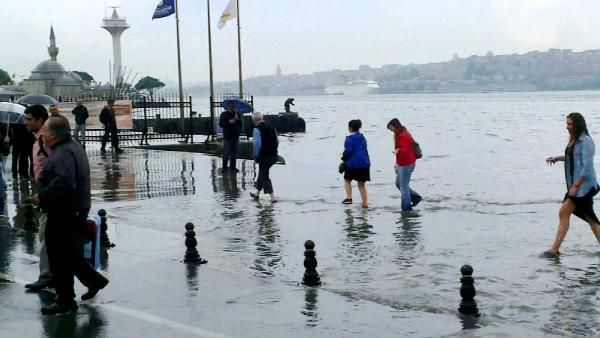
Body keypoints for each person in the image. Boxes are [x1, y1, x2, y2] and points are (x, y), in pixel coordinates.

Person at [33, 117, 109, 315]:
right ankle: (94, 280)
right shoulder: (71, 147)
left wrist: (42, 197)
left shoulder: (64, 152)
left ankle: (65, 299)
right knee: (68, 252)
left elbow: (65, 183)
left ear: (53, 134)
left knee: (58, 253)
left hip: (65, 209)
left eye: (45, 131)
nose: (42, 136)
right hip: (74, 208)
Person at [545, 112, 600, 257]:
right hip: (577, 187)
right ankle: (554, 250)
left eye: (570, 124)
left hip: (584, 188)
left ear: (578, 125)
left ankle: (554, 250)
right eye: (567, 123)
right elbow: (573, 157)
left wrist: (576, 186)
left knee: (566, 212)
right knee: (590, 218)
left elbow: (586, 167)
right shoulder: (574, 140)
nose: (567, 127)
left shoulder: (586, 141)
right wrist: (557, 158)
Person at [22, 105, 54, 291]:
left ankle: (47, 276)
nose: (26, 122)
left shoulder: (46, 139)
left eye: (29, 119)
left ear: (40, 120)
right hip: (45, 191)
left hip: (49, 193)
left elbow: (55, 167)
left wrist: (44, 193)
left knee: (46, 235)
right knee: (47, 235)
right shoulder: (38, 139)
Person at [387, 118, 422, 211]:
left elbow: (405, 150)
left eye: (391, 128)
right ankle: (415, 197)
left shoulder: (403, 136)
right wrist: (397, 164)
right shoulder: (403, 132)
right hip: (403, 163)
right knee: (399, 183)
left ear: (395, 126)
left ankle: (406, 208)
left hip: (406, 164)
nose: (391, 130)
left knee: (403, 188)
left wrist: (398, 150)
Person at [250, 112, 279, 203]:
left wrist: (255, 156)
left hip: (264, 156)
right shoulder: (272, 127)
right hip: (274, 155)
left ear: (254, 121)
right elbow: (277, 141)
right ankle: (257, 194)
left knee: (264, 176)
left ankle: (272, 197)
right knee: (262, 173)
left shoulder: (257, 130)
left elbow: (257, 145)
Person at [341, 119, 370, 208]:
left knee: (347, 179)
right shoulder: (363, 138)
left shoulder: (349, 139)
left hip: (352, 164)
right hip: (364, 164)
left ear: (350, 128)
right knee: (361, 185)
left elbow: (348, 152)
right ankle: (365, 203)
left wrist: (343, 159)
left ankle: (349, 198)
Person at [218, 103, 242, 173]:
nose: (232, 107)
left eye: (233, 106)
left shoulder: (237, 114)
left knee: (234, 152)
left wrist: (238, 120)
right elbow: (221, 124)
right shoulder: (224, 114)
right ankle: (224, 167)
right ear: (228, 107)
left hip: (235, 135)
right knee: (226, 152)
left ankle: (233, 167)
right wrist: (229, 122)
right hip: (227, 136)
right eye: (231, 106)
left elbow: (240, 125)